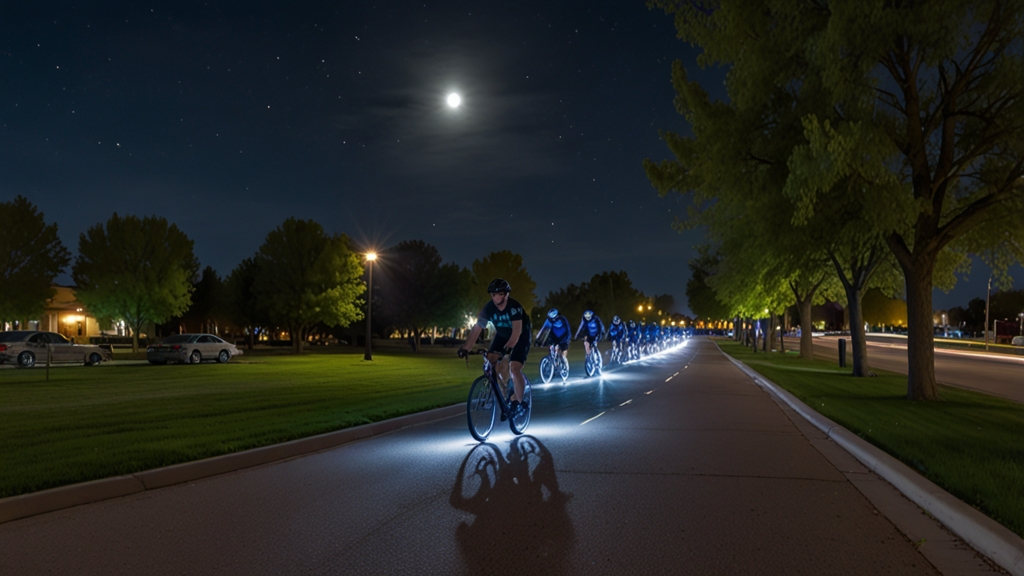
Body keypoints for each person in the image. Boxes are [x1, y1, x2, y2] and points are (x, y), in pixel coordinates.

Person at [458, 278, 532, 416]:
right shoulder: (488, 308)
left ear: (506, 295)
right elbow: (477, 328)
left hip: (521, 334)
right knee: (490, 359)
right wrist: (466, 348)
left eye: (500, 295)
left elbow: (516, 332)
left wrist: (508, 349)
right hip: (502, 334)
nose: (497, 299)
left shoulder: (514, 307)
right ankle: (502, 392)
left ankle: (519, 403)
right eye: (493, 295)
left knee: (514, 368)